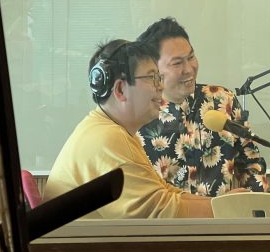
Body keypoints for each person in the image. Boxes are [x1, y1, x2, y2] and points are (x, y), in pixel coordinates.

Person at [43, 39, 214, 218]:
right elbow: (161, 213)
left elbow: (164, 194)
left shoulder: (106, 129)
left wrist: (221, 204)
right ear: (120, 90)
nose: (161, 86)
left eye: (159, 77)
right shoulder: (108, 138)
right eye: (152, 78)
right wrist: (225, 210)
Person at [137, 17, 268, 196]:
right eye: (177, 63)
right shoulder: (139, 116)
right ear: (154, 70)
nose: (189, 68)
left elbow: (252, 162)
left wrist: (250, 199)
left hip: (221, 213)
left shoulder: (223, 100)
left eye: (191, 57)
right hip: (166, 213)